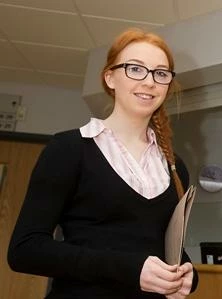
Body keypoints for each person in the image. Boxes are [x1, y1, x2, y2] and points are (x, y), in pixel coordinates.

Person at [7, 28, 198, 298]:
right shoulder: (70, 149)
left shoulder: (174, 165)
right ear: (110, 78)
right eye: (135, 69)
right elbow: (25, 250)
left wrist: (187, 273)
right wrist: (129, 269)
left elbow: (162, 246)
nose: (149, 81)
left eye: (160, 73)